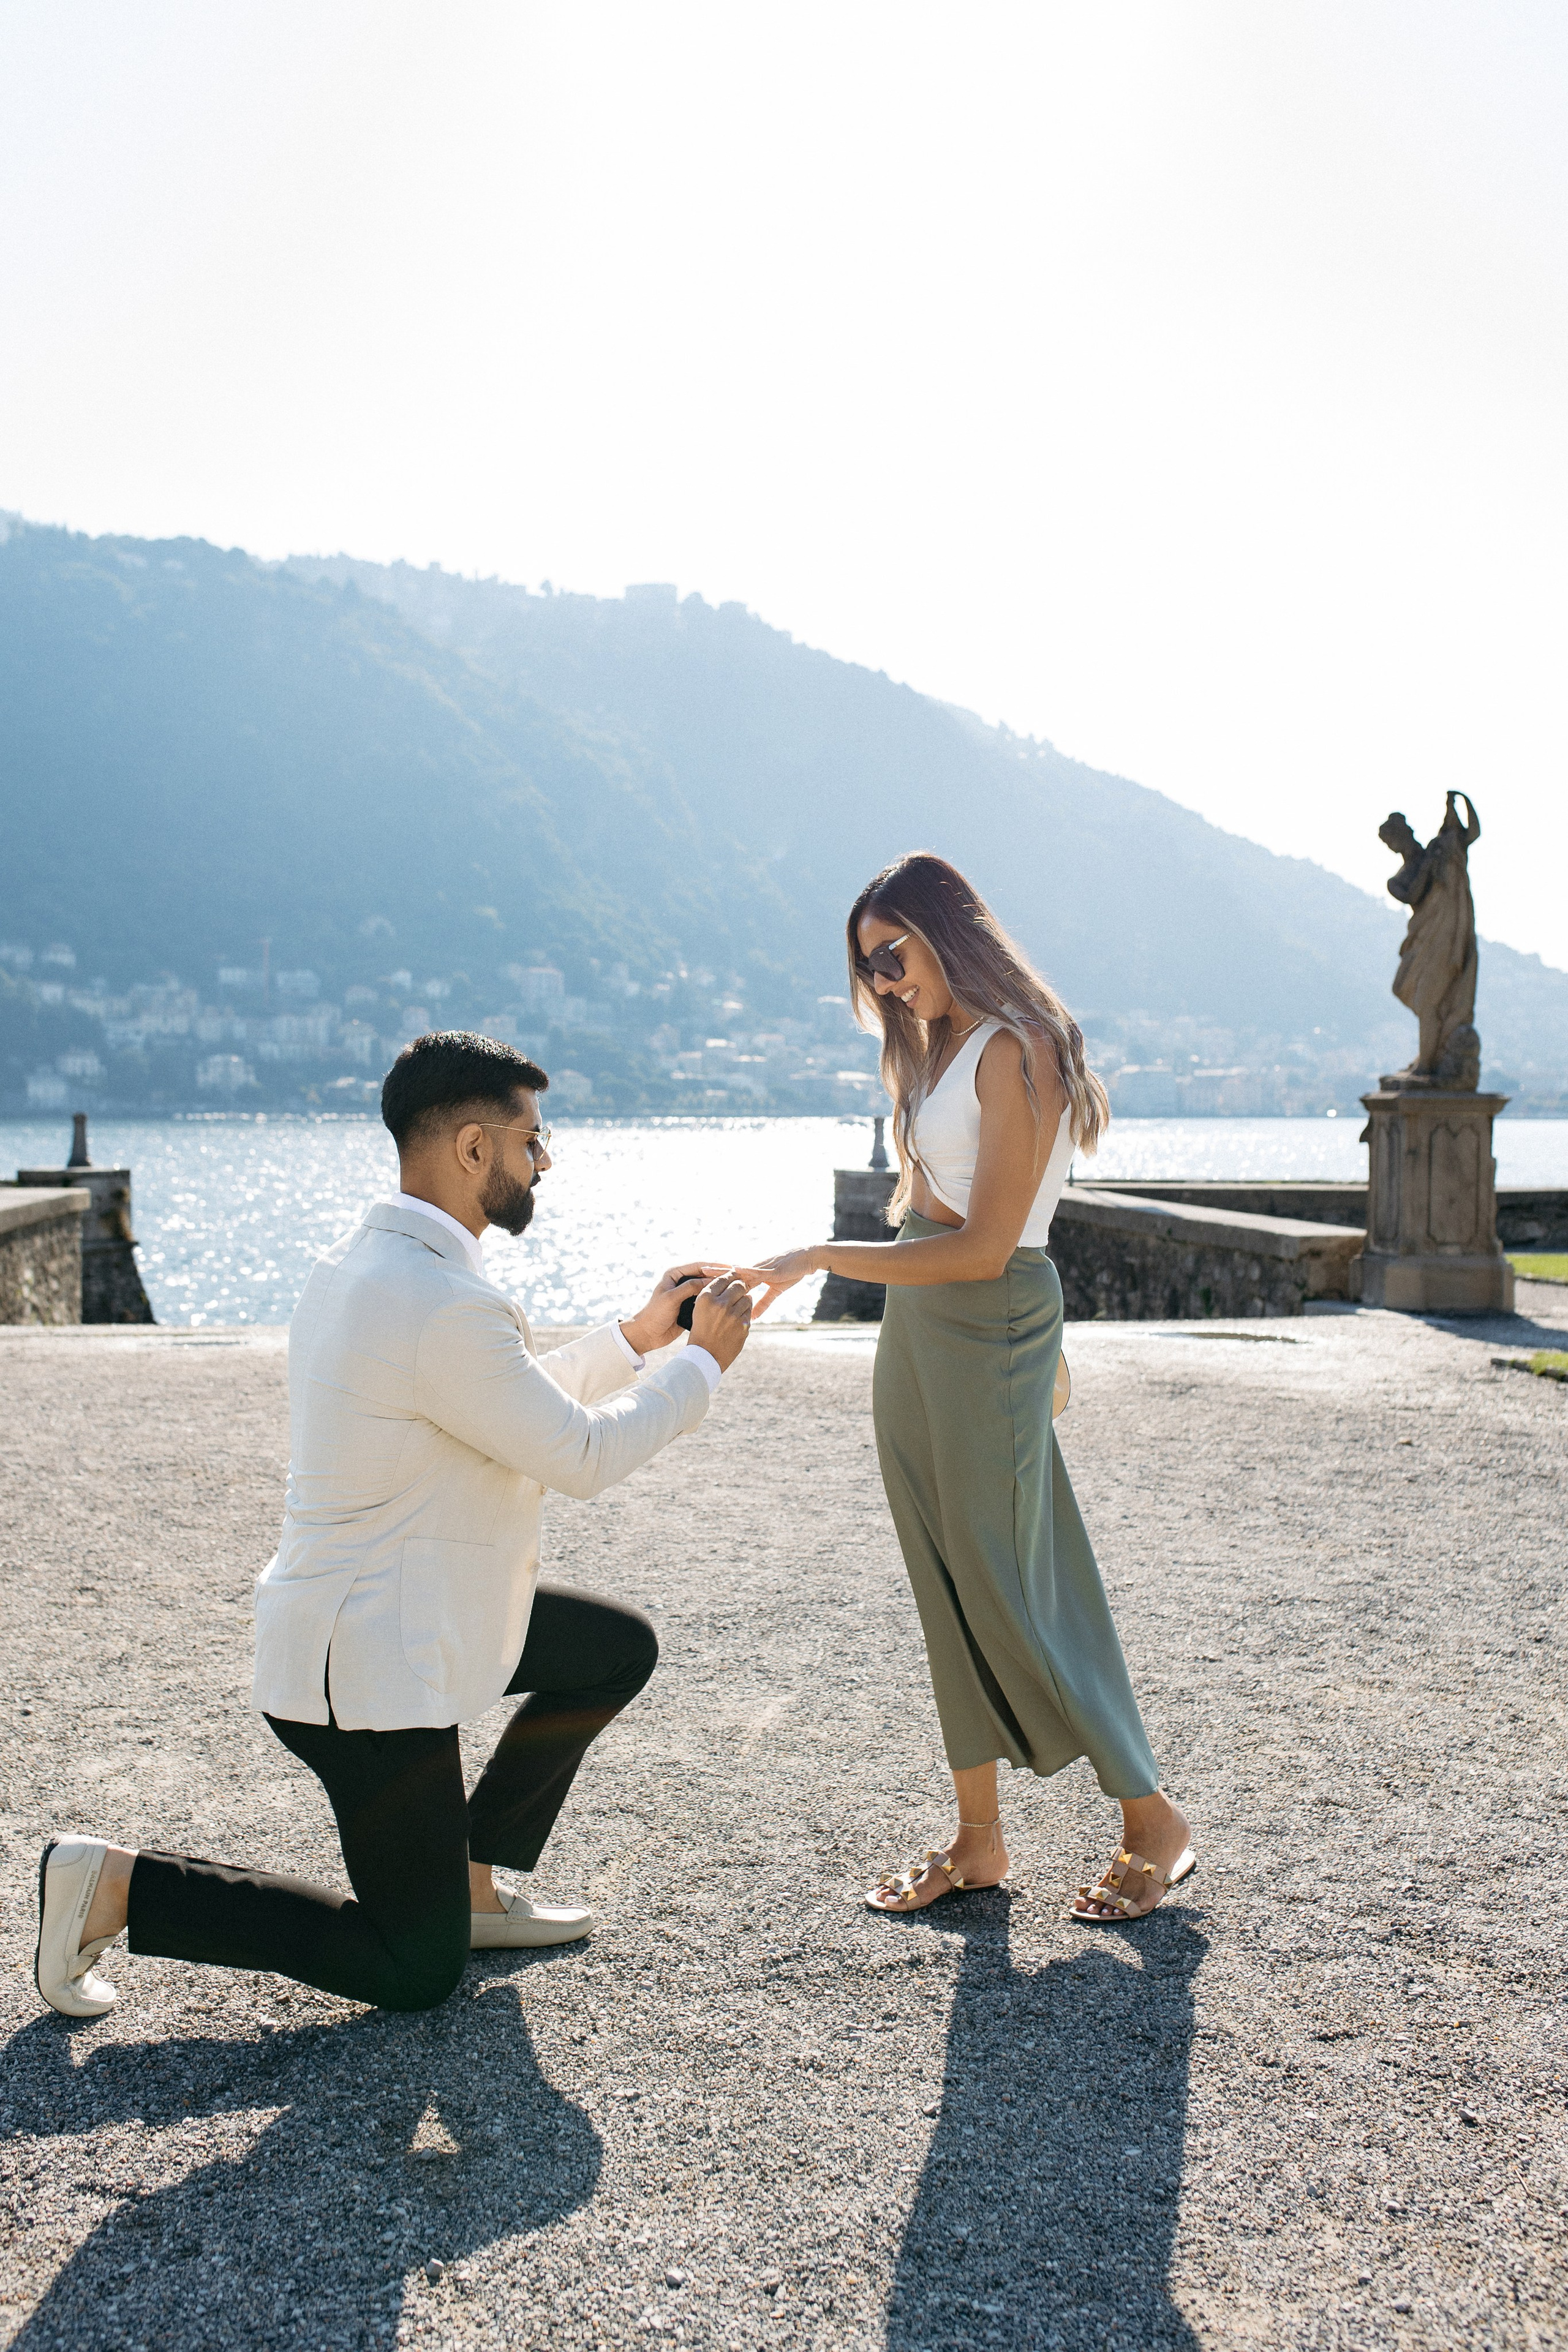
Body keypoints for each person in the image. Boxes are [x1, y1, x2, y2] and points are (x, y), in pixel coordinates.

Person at [36, 1032, 753, 2019]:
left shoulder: (378, 1265)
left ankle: (468, 1882)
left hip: (404, 1612)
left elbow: (505, 1406)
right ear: (471, 1150)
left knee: (609, 1649)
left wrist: (636, 1339)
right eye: (532, 1143)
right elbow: (579, 1456)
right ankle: (117, 1885)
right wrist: (699, 1365)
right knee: (412, 1970)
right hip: (369, 1668)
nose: (544, 1163)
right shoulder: (438, 1298)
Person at [747, 854, 1194, 1923]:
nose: (887, 981)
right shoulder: (938, 1053)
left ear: (948, 930)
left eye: (894, 954)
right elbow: (928, 1210)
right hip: (922, 1328)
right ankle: (979, 1841)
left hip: (987, 1318)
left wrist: (817, 1257)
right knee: (945, 1574)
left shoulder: (1019, 1048)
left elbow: (994, 1246)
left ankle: (1152, 1819)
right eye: (870, 968)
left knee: (1015, 1581)